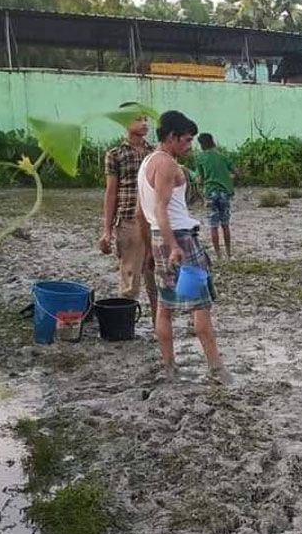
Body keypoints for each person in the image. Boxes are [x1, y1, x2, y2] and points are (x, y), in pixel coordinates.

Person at [138, 110, 232, 384]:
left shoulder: (147, 162)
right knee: (199, 306)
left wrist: (151, 248)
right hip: (179, 239)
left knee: (164, 306)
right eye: (187, 140)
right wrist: (174, 246)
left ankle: (169, 366)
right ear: (171, 137)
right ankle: (217, 368)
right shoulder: (166, 164)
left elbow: (142, 211)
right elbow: (160, 208)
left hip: (159, 238)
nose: (189, 146)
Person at [99, 102, 156, 322]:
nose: (144, 124)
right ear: (125, 123)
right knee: (130, 275)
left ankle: (157, 324)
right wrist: (107, 230)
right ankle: (125, 324)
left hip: (153, 220)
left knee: (156, 276)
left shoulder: (154, 154)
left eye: (145, 119)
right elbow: (111, 193)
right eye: (138, 119)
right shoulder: (115, 154)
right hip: (129, 220)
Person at [193, 133, 237, 259]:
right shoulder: (222, 157)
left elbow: (199, 179)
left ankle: (218, 255)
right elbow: (236, 173)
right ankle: (229, 253)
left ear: (201, 145)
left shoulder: (200, 158)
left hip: (210, 193)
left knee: (213, 226)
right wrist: (228, 178)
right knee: (225, 224)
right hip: (224, 192)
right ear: (213, 142)